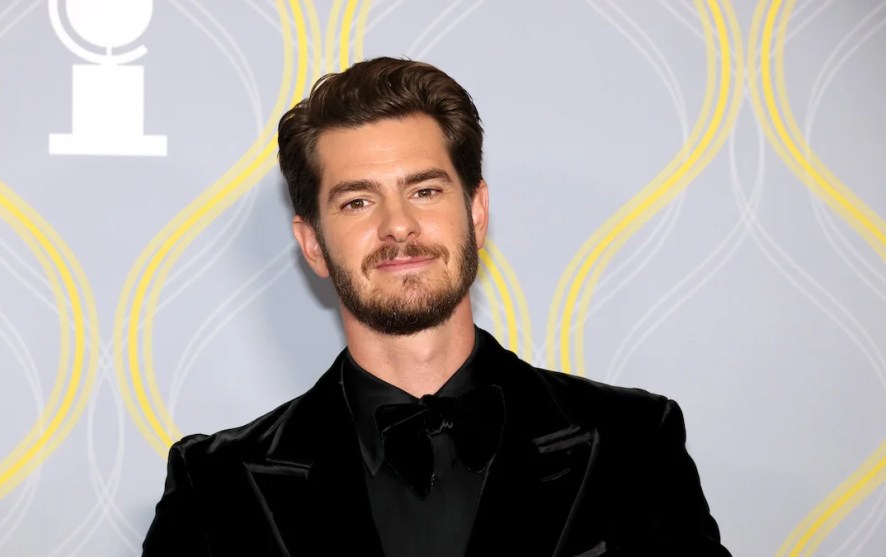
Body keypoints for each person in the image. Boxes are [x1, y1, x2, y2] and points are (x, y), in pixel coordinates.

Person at [142, 57, 730, 557]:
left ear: (476, 213)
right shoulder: (214, 485)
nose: (398, 226)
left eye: (424, 191)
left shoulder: (633, 445)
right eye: (356, 202)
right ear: (313, 244)